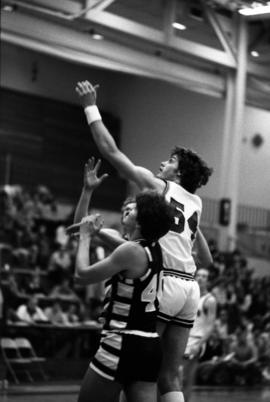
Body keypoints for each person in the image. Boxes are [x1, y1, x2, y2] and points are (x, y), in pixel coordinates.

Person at [75, 80, 213, 402]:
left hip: (161, 283)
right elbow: (205, 258)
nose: (162, 164)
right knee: (169, 376)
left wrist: (90, 106)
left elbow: (110, 151)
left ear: (177, 175)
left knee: (139, 368)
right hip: (190, 287)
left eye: (169, 161)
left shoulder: (159, 188)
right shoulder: (196, 203)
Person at [74, 186, 174, 402]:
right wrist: (88, 191)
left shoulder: (129, 251)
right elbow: (81, 224)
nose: (129, 210)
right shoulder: (154, 249)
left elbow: (81, 275)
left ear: (142, 221)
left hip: (123, 341)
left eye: (135, 208)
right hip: (149, 346)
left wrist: (85, 237)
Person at [182, 268, 216, 402]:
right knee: (175, 377)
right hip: (182, 337)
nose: (201, 278)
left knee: (186, 378)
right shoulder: (189, 295)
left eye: (204, 276)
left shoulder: (210, 300)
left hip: (196, 341)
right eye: (199, 275)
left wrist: (199, 344)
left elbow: (210, 326)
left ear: (208, 281)